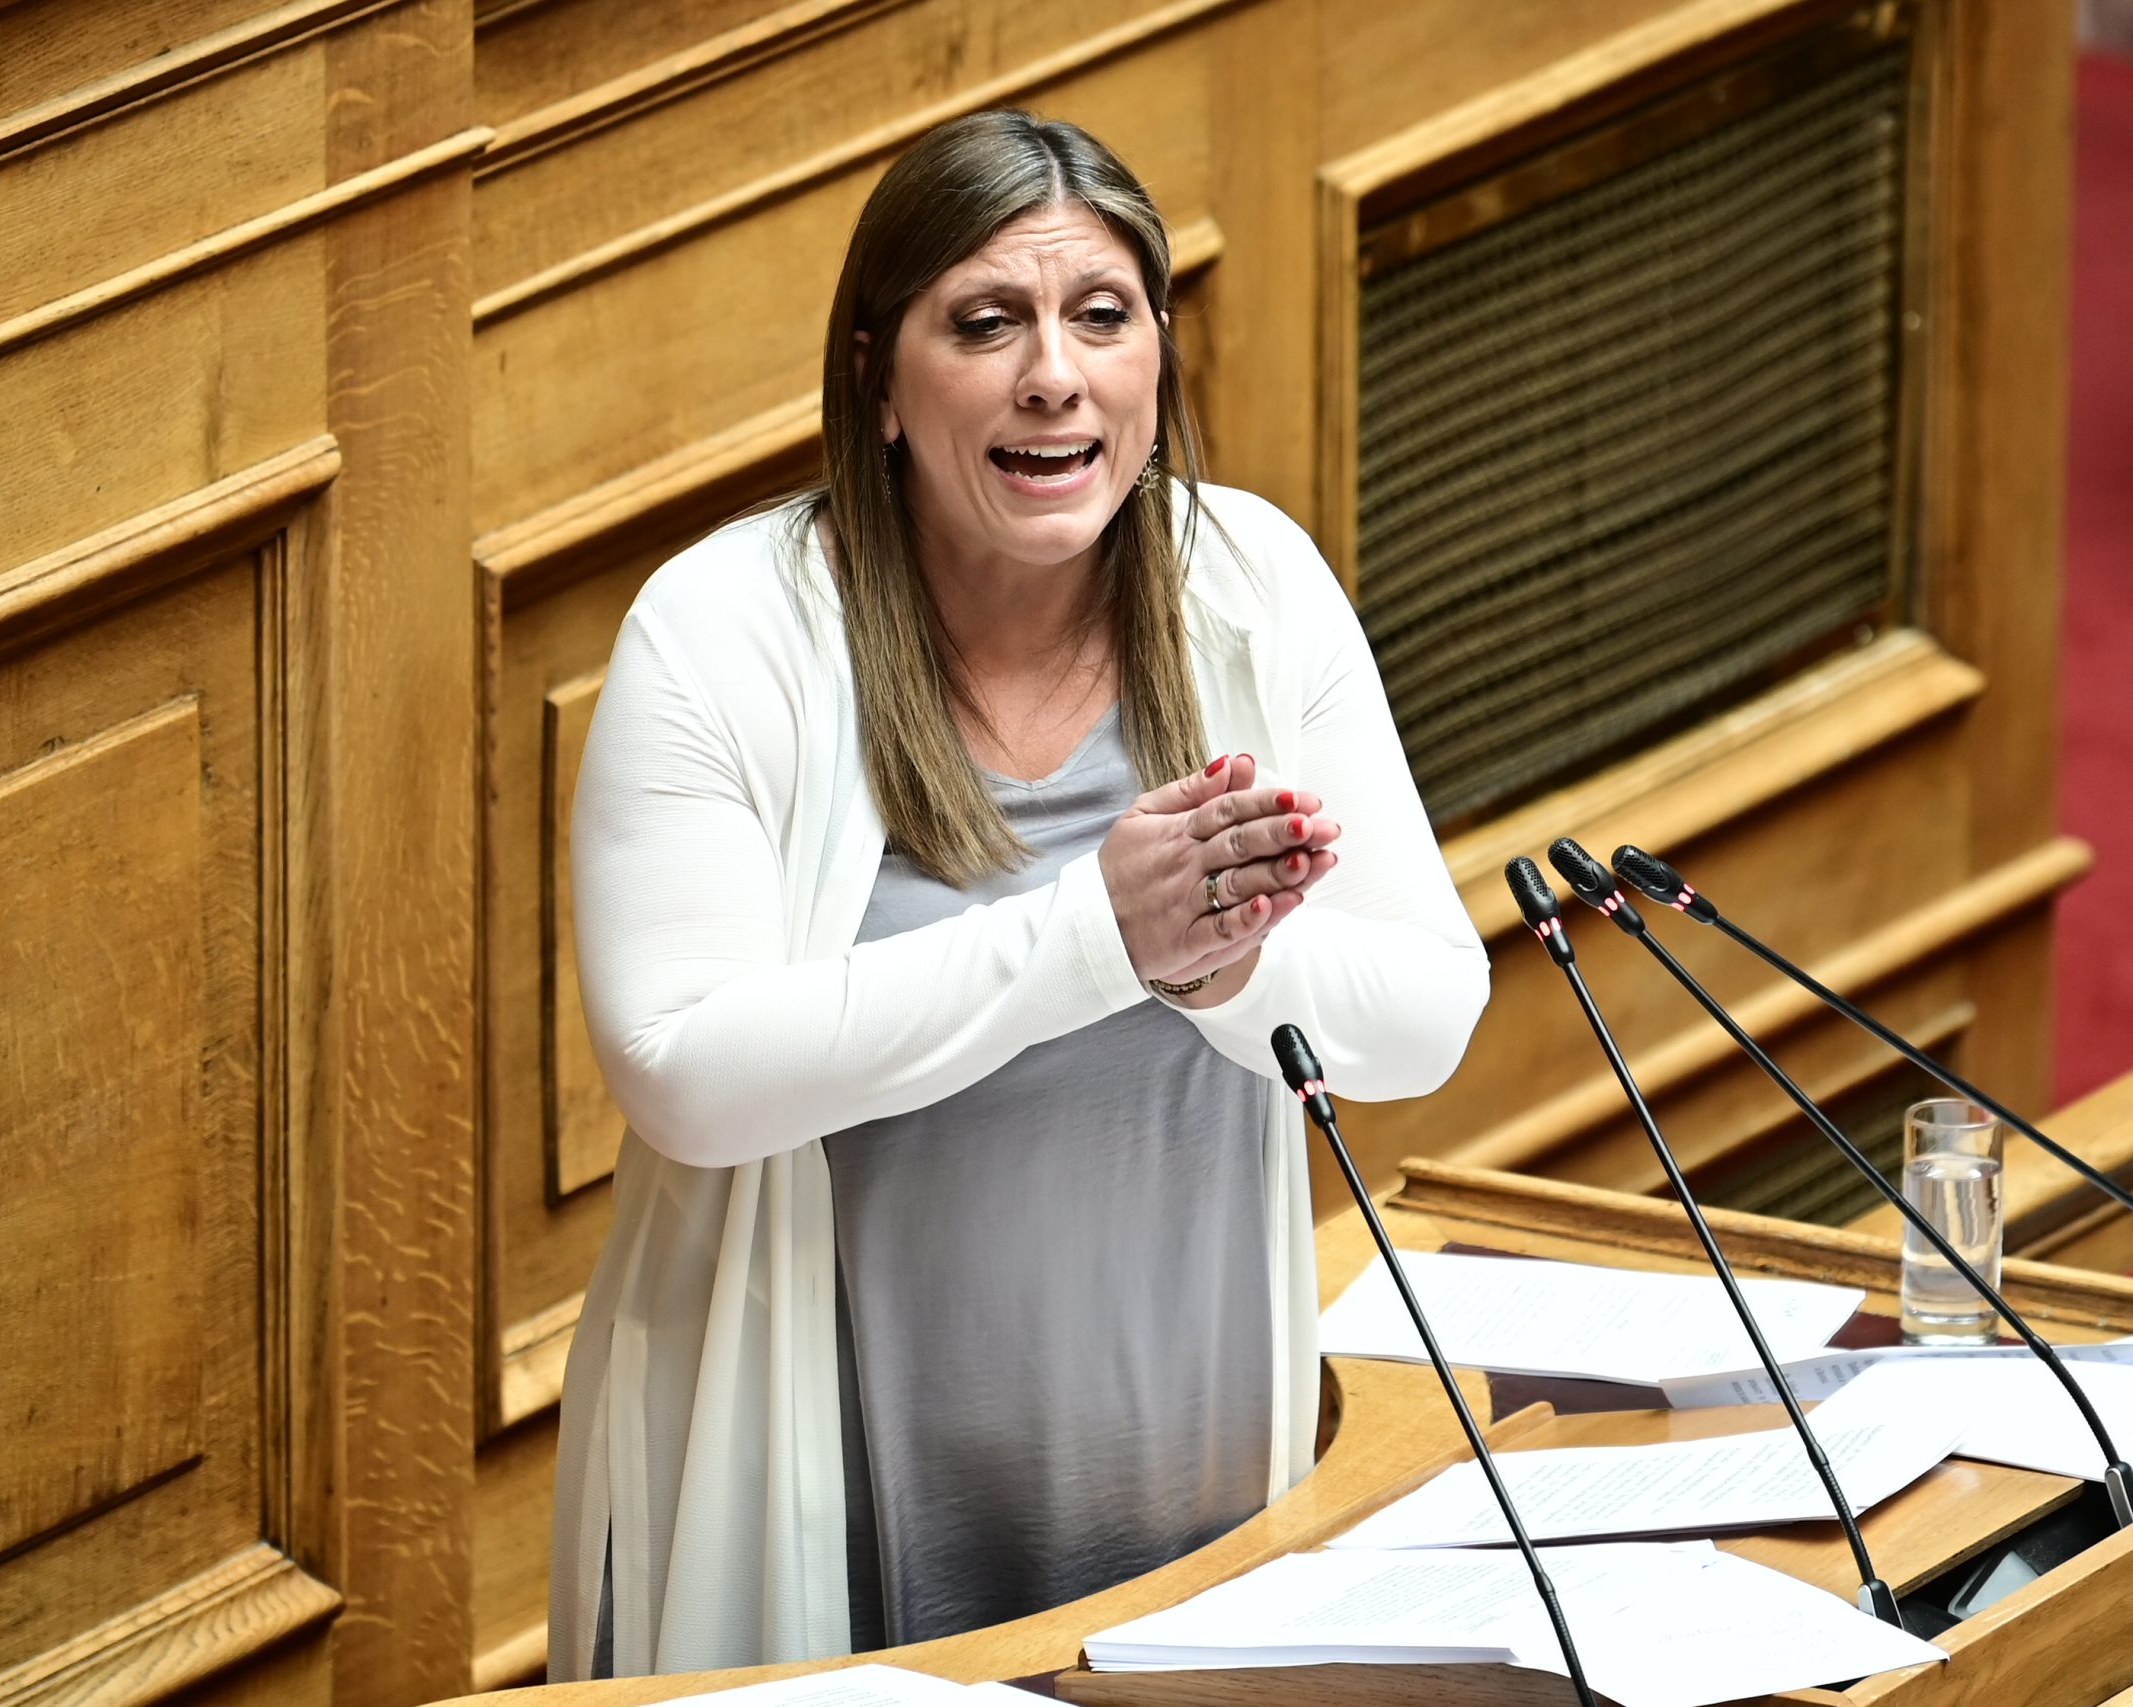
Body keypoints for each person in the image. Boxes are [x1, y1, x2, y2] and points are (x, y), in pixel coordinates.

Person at [550, 108, 1489, 1680]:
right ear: (878, 376)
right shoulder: (723, 633)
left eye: (1101, 315)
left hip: (1194, 1485)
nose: (1054, 374)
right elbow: (684, 1074)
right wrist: (1096, 937)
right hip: (831, 1503)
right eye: (986, 324)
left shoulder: (1250, 582)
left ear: (1157, 353)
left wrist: (1226, 971)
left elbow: (1427, 1019)